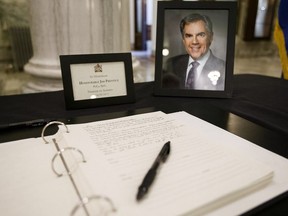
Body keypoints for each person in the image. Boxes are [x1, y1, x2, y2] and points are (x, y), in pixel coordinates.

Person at [162, 13, 225, 90]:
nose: (194, 41)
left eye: (201, 35)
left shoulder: (224, 68)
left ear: (211, 37)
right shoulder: (172, 64)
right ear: (183, 40)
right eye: (189, 36)